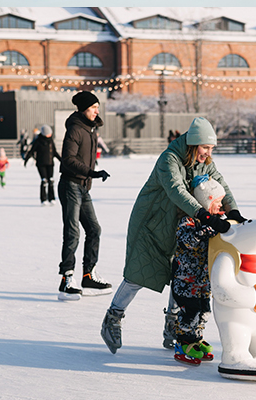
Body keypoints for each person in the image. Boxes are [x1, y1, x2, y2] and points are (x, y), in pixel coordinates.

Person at [100, 117, 246, 354]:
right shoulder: (169, 160)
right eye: (205, 147)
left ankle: (173, 325)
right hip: (151, 223)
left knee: (181, 275)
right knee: (139, 274)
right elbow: (176, 190)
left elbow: (221, 184)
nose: (208, 153)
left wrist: (234, 211)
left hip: (179, 224)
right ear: (193, 144)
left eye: (211, 149)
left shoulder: (205, 161)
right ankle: (113, 318)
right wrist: (204, 215)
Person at [57, 91, 112, 300]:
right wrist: (92, 172)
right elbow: (67, 160)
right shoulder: (75, 129)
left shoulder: (91, 129)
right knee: (73, 232)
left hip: (83, 187)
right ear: (82, 109)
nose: (97, 111)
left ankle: (88, 275)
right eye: (93, 107)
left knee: (94, 229)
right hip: (70, 185)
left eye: (97, 107)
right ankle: (66, 278)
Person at [171, 175, 226, 365]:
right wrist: (202, 233)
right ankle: (182, 343)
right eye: (218, 202)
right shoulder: (189, 221)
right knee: (190, 313)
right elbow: (185, 242)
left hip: (202, 281)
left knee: (204, 312)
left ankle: (196, 339)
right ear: (207, 201)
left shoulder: (213, 221)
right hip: (185, 281)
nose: (221, 206)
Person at [25, 125, 61, 205]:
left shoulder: (51, 141)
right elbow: (32, 151)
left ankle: (52, 198)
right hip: (41, 164)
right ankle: (43, 199)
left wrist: (61, 160)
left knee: (51, 180)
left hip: (50, 164)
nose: (50, 134)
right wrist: (26, 160)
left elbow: (54, 152)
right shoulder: (38, 141)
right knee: (44, 181)